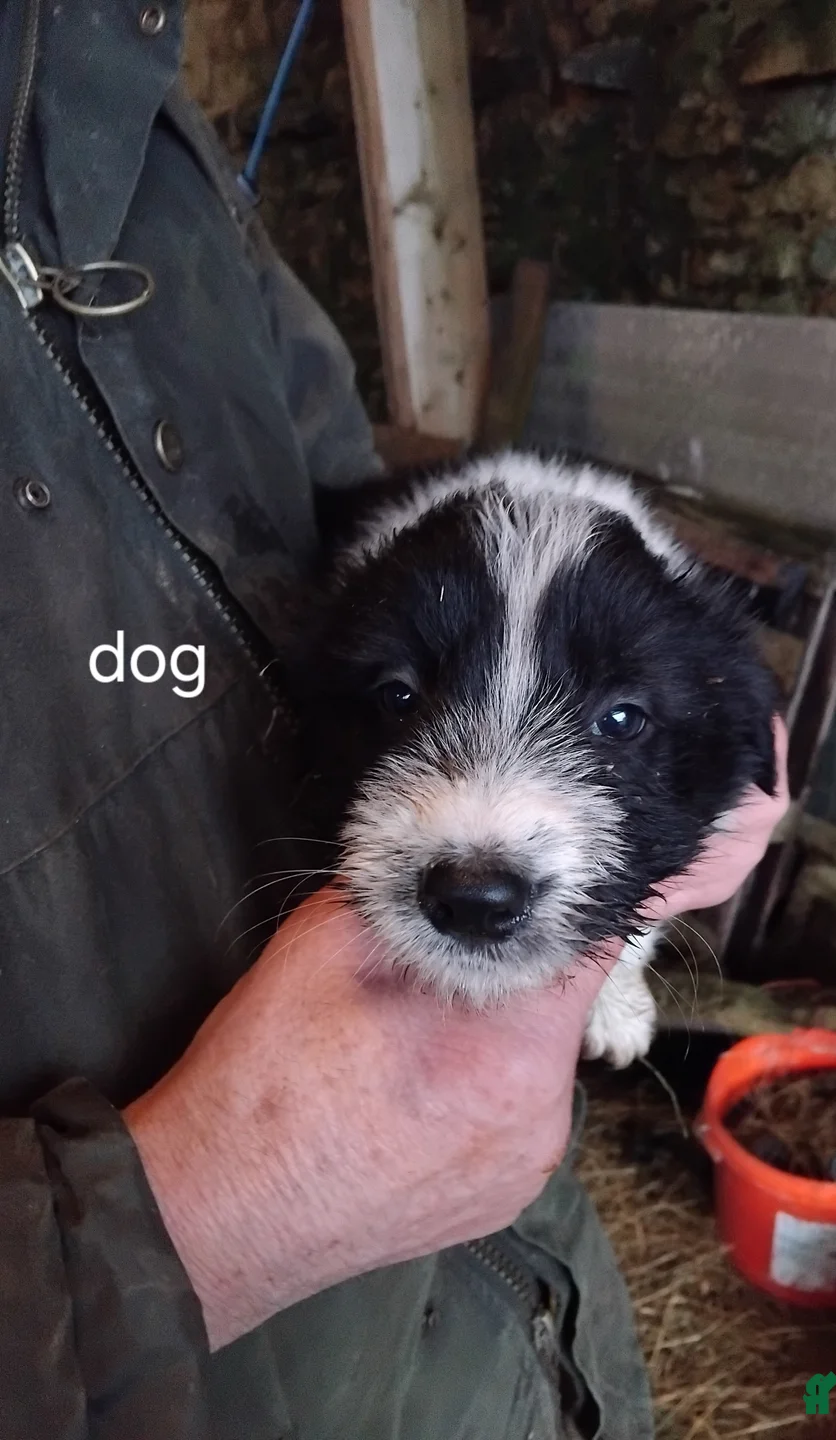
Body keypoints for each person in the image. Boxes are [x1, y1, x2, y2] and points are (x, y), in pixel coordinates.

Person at [0, 4, 789, 1437]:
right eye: (405, 700)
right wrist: (198, 1218)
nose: (482, 828)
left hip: (483, 1334)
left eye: (616, 718)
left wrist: (634, 924)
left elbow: (311, 454)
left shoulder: (116, 79)